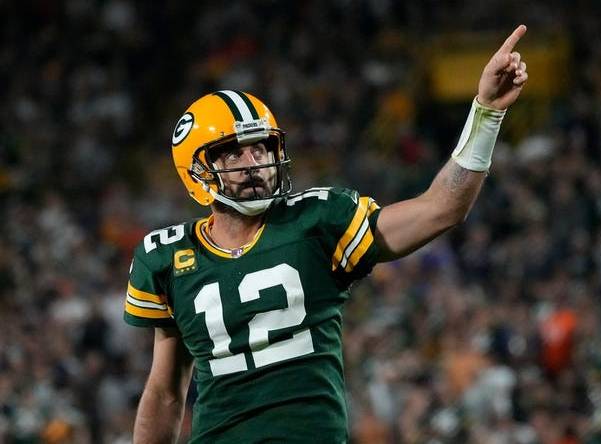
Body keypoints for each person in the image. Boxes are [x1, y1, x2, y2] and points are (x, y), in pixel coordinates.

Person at [124, 25, 529, 443]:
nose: (254, 163)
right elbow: (166, 391)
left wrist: (486, 113)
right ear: (195, 171)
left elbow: (441, 208)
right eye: (233, 152)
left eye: (261, 148)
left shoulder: (318, 220)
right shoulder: (167, 257)